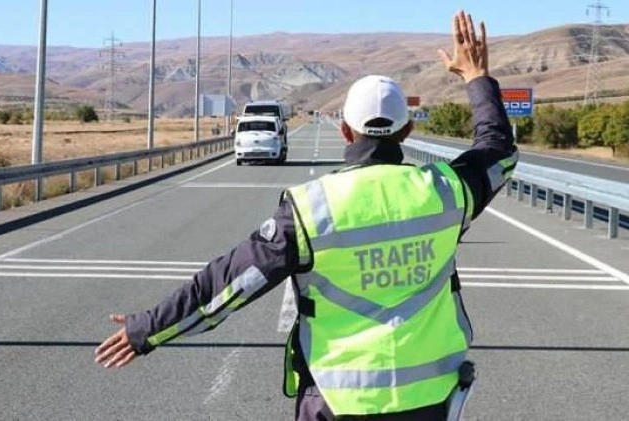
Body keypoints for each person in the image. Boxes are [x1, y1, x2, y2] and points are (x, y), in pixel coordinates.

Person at [95, 10, 518, 421]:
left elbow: (226, 285)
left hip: (338, 401)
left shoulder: (311, 210)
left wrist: (147, 330)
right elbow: (498, 148)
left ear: (345, 131)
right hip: (432, 398)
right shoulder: (447, 191)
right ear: (406, 132)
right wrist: (477, 78)